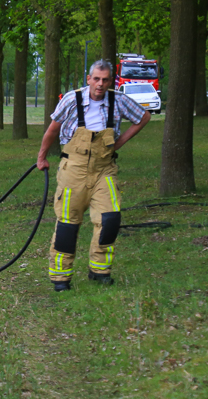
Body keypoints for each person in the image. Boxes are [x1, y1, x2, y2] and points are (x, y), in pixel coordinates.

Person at [37, 60, 150, 292]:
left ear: (111, 81)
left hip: (104, 169)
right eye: (96, 79)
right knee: (68, 224)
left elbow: (143, 117)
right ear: (89, 79)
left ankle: (99, 271)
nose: (100, 84)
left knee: (109, 219)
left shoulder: (117, 99)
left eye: (105, 79)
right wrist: (42, 157)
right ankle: (61, 278)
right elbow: (52, 130)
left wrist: (118, 144)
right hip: (74, 169)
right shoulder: (71, 99)